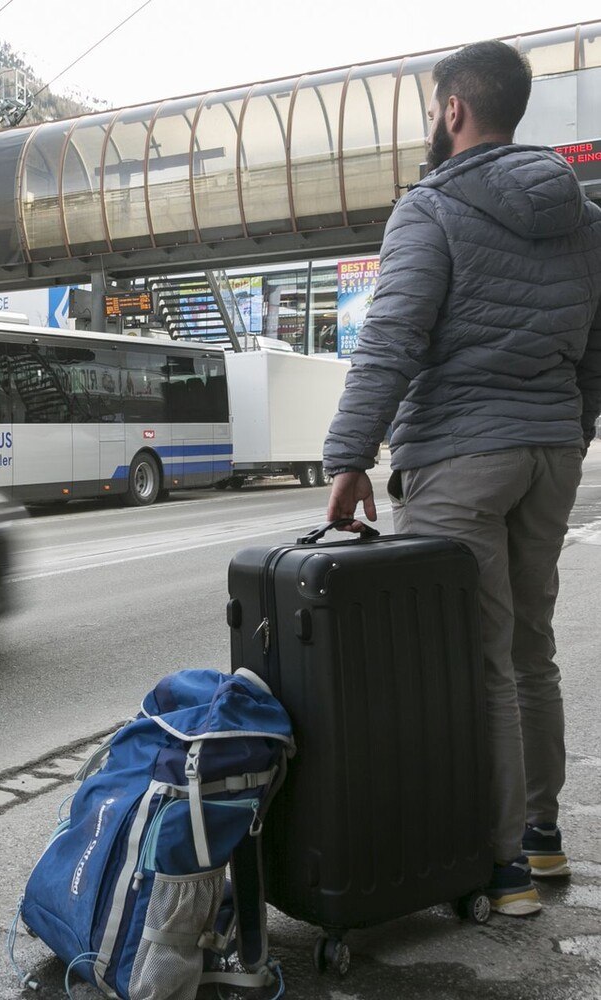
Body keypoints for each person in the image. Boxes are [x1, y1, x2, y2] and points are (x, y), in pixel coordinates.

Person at [322, 40, 601, 918]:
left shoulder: (429, 208)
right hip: (549, 452)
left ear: (452, 110)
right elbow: (596, 353)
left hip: (458, 456)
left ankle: (501, 864)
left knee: (469, 661)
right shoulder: (584, 217)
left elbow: (393, 340)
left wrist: (347, 457)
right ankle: (543, 839)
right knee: (531, 650)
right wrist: (570, 431)